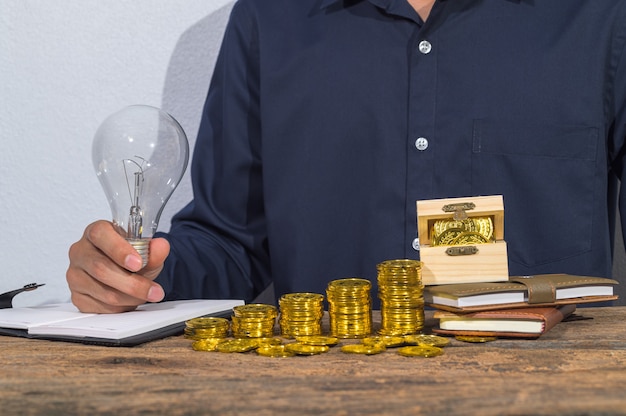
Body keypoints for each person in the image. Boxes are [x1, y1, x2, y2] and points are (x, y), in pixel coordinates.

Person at [67, 0, 626, 313]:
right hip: (330, 390)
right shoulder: (270, 19)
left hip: (553, 392)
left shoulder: (603, 17)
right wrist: (140, 275)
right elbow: (230, 242)